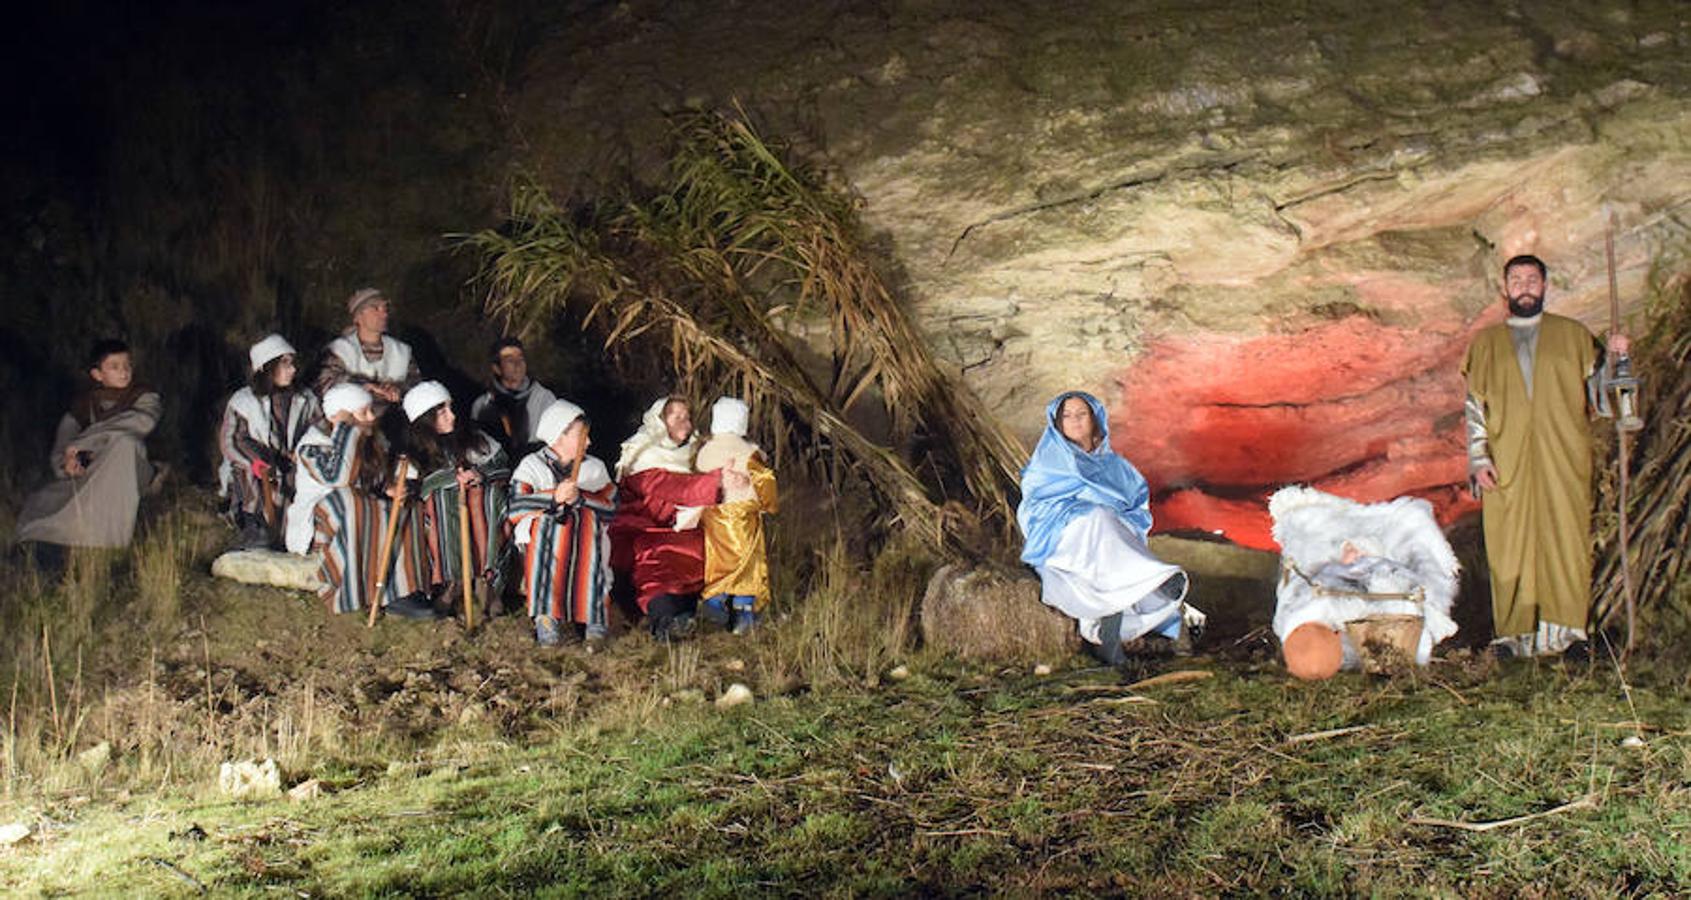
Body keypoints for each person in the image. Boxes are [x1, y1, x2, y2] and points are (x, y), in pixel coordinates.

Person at [1462, 254, 1630, 660]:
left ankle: (1569, 634)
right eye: (1516, 279)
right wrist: (1479, 459)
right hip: (1508, 460)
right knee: (1509, 542)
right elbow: (1474, 407)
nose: (1524, 286)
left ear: (1545, 285)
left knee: (1566, 538)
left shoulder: (1573, 335)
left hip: (1564, 457)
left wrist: (1616, 357)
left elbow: (1602, 394)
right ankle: (1513, 636)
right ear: (1505, 288)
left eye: (1532, 279)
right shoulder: (1485, 344)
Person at [1017, 391, 1203, 666]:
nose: (1075, 421)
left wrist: (1114, 514)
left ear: (1094, 419)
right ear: (1058, 424)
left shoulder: (1117, 466)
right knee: (1099, 520)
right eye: (1067, 416)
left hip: (1110, 534)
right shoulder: (1047, 463)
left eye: (1081, 414)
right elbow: (1035, 507)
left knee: (1106, 530)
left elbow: (1136, 506)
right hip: (1063, 534)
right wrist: (1085, 508)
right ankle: (1152, 577)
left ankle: (1117, 631)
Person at [286, 383, 434, 619]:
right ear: (338, 417)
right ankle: (358, 590)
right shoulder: (311, 446)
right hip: (319, 525)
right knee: (352, 501)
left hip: (360, 510)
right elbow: (340, 477)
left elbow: (373, 479)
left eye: (370, 410)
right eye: (363, 412)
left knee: (406, 508)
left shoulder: (368, 442)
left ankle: (403, 589)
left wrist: (391, 488)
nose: (371, 417)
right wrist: (346, 428)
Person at [16, 339, 162, 552]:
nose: (124, 372)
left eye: (127, 365)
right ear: (97, 374)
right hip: (93, 471)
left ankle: (109, 542)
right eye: (115, 367)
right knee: (45, 500)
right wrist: (68, 463)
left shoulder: (144, 396)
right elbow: (64, 447)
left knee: (125, 443)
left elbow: (142, 421)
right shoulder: (84, 404)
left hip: (132, 468)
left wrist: (85, 442)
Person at [609, 396, 723, 642]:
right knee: (657, 556)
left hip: (680, 528)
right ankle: (664, 618)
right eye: (677, 416)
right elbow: (675, 488)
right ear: (660, 421)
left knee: (707, 547)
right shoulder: (643, 455)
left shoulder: (695, 453)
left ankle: (699, 612)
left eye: (687, 416)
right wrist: (718, 481)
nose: (685, 422)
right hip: (644, 528)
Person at [508, 400, 617, 646]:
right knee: (550, 527)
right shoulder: (531, 466)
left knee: (588, 526)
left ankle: (593, 614)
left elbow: (611, 507)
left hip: (587, 539)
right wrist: (553, 498)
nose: (588, 443)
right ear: (559, 436)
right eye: (581, 436)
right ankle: (547, 617)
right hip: (544, 539)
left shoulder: (594, 468)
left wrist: (581, 498)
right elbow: (515, 508)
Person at [402, 380, 512, 619]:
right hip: (437, 510)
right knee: (440, 499)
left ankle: (487, 582)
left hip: (479, 501)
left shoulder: (475, 439)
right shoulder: (413, 453)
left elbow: (503, 469)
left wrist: (478, 475)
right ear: (425, 418)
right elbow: (414, 487)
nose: (452, 416)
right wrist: (451, 479)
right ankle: (453, 581)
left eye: (451, 408)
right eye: (442, 412)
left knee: (488, 497)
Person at [219, 334, 321, 549]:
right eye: (285, 364)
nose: (292, 369)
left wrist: (303, 452)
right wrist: (261, 461)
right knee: (248, 475)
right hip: (255, 471)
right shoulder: (243, 402)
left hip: (293, 467)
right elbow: (234, 440)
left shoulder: (306, 400)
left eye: (292, 363)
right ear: (267, 367)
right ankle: (252, 525)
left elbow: (318, 431)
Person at [694, 397, 778, 634]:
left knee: (717, 559)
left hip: (714, 515)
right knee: (747, 562)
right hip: (742, 517)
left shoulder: (705, 451)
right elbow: (765, 483)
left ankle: (715, 603)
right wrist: (766, 503)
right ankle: (743, 612)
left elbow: (698, 476)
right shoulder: (751, 452)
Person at [315, 288, 419, 418]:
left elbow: (416, 387)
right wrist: (367, 386)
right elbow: (326, 384)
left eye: (385, 308)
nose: (384, 314)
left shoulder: (402, 352)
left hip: (393, 424)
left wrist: (399, 390)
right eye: (376, 308)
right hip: (352, 422)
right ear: (358, 317)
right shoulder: (340, 350)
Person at [470, 337, 558, 457]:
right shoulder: (482, 405)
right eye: (509, 360)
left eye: (521, 358)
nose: (517, 364)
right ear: (497, 368)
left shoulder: (544, 398)